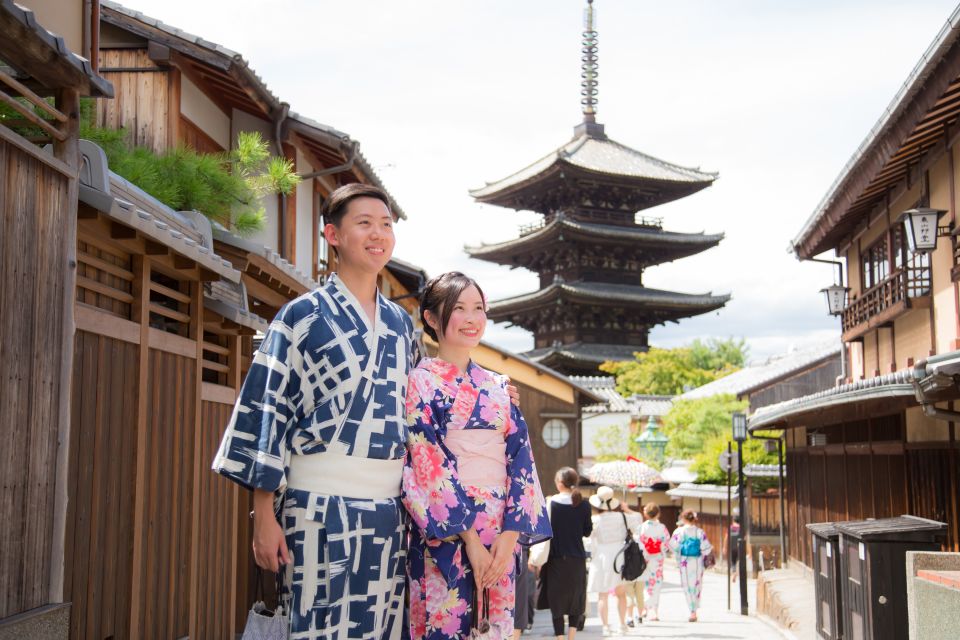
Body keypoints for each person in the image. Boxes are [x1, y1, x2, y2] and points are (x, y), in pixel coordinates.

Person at [212, 183, 416, 638]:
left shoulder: (402, 326)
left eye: (385, 224)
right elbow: (268, 412)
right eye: (364, 223)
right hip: (315, 512)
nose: (378, 233)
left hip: (387, 517)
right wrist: (263, 516)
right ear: (333, 235)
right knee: (314, 629)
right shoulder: (300, 317)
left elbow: (421, 412)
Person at [401, 271, 551, 640]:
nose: (472, 319)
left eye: (479, 308)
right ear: (432, 319)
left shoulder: (499, 386)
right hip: (448, 531)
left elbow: (521, 459)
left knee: (493, 630)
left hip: (501, 530)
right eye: (460, 308)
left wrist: (512, 534)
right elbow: (424, 457)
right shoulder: (419, 380)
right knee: (444, 624)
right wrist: (469, 538)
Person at [530, 467, 593, 640]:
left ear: (559, 483)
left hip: (555, 559)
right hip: (577, 559)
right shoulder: (584, 504)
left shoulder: (550, 503)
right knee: (576, 599)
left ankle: (560, 637)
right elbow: (587, 531)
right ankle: (571, 637)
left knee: (556, 600)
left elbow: (542, 531)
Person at [587, 486, 640, 636]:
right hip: (620, 555)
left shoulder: (595, 520)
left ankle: (605, 626)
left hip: (602, 555)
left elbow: (589, 539)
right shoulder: (623, 517)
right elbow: (638, 524)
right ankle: (622, 624)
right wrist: (627, 509)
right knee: (620, 592)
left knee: (602, 594)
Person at [669, 509, 714, 622]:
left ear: (683, 519)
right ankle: (694, 610)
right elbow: (706, 549)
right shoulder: (700, 532)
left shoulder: (679, 531)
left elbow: (673, 546)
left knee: (687, 586)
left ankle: (691, 610)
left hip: (685, 562)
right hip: (697, 561)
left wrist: (678, 554)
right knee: (697, 585)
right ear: (694, 519)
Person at [637, 502, 670, 621]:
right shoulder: (662, 528)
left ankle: (645, 608)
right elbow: (666, 544)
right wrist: (658, 546)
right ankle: (654, 612)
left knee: (645, 583)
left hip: (645, 558)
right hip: (658, 559)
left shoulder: (642, 527)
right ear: (658, 514)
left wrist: (647, 548)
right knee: (656, 584)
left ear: (646, 514)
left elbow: (639, 542)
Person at [724, 515, 741, 582]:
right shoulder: (741, 528)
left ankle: (734, 572)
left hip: (732, 547)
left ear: (733, 520)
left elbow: (726, 537)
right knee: (739, 561)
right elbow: (745, 538)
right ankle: (736, 573)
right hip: (739, 547)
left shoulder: (731, 528)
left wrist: (724, 547)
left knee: (733, 562)